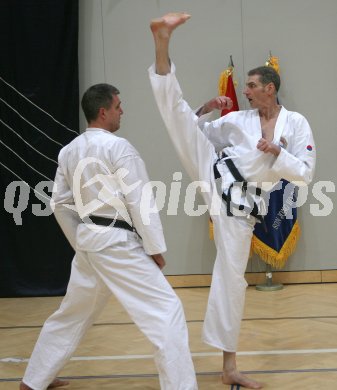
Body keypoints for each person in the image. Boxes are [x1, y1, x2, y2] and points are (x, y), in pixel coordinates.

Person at [149, 13, 315, 389]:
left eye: (252, 85)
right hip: (214, 173)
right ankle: (162, 42)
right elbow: (198, 132)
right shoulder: (238, 119)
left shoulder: (297, 124)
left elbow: (305, 173)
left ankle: (228, 367)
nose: (246, 90)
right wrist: (205, 107)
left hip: (241, 210)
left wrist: (277, 153)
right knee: (178, 118)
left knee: (231, 279)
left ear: (270, 88)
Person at [20, 83, 197, 390]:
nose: (122, 111)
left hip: (90, 241)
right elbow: (140, 200)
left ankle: (33, 381)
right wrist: (155, 248)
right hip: (117, 243)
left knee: (71, 315)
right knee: (167, 312)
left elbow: (59, 203)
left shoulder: (69, 151)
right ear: (103, 112)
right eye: (118, 106)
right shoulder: (119, 147)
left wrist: (81, 241)